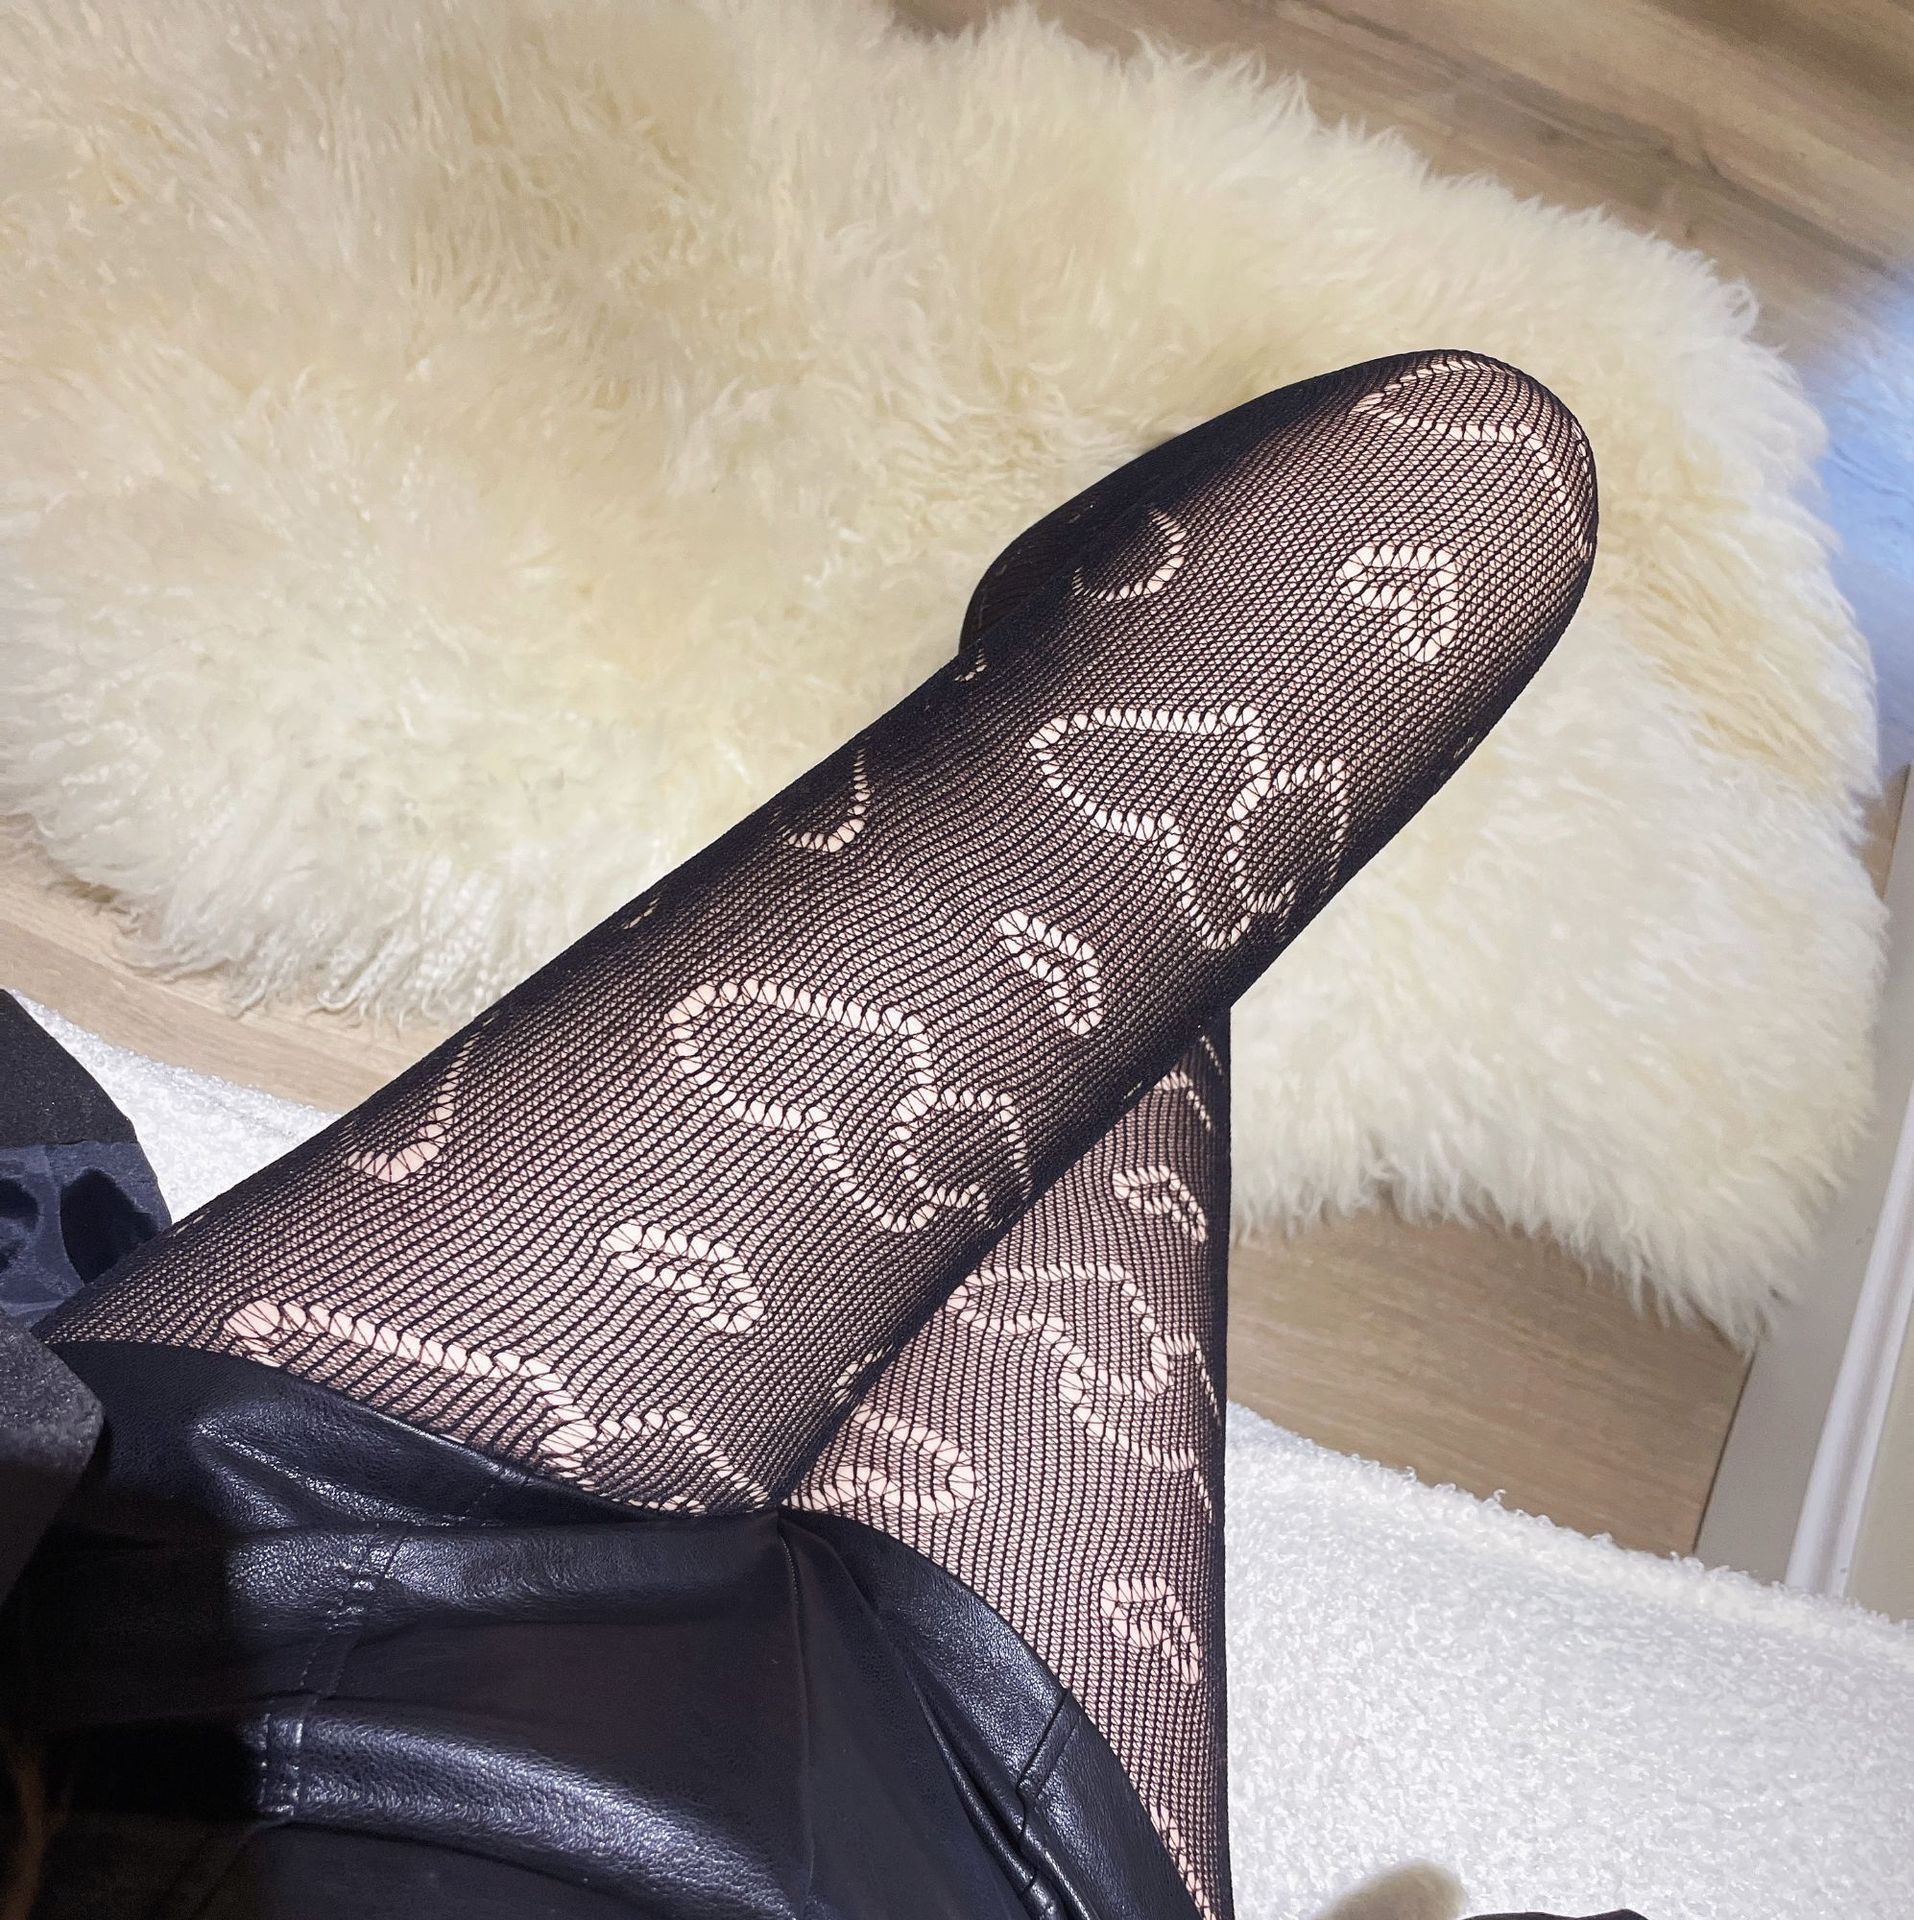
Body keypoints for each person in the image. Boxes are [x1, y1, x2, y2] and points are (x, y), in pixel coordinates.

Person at [3, 351, 1632, 1919]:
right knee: (1468, 495)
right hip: (991, 1844)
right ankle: (1027, 662)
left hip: (286, 1697)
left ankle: (1028, 659)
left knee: (1446, 489)